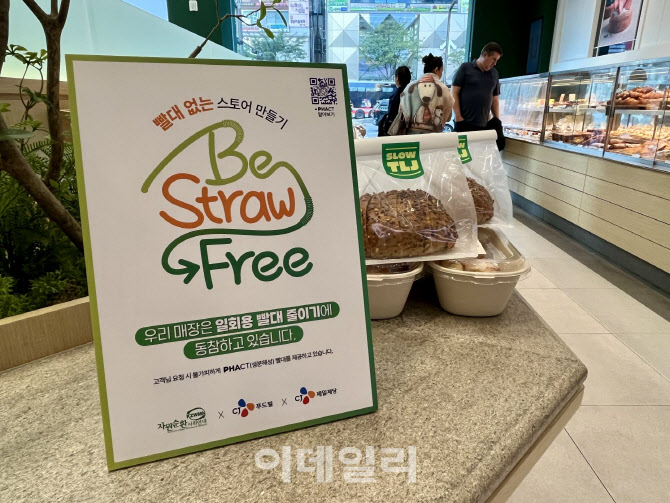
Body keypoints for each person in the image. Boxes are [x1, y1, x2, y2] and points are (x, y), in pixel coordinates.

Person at [452, 42, 505, 149]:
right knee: (461, 155)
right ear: (485, 54)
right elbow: (453, 93)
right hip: (464, 122)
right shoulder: (465, 68)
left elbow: (495, 99)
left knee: (480, 155)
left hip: (484, 125)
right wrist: (458, 117)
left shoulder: (494, 73)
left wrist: (497, 121)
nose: (495, 63)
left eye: (497, 61)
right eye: (494, 59)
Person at [388, 54, 453, 135]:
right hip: (434, 136)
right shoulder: (443, 89)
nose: (441, 74)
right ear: (436, 70)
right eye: (441, 71)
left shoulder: (410, 87)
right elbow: (448, 117)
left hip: (411, 135)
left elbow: (402, 113)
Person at [378, 66, 411, 136]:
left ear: (397, 78)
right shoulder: (412, 93)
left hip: (397, 130)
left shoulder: (396, 94)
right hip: (409, 130)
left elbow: (392, 114)